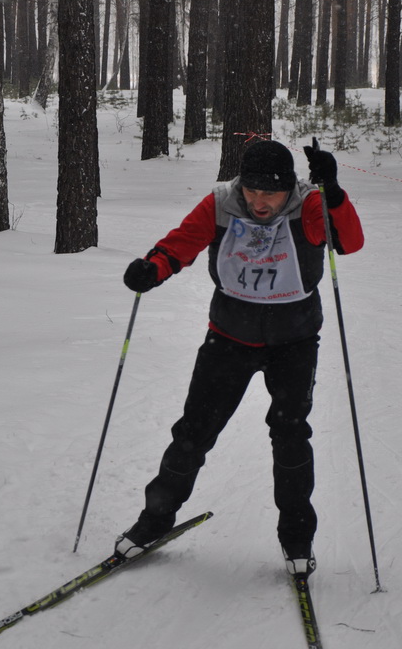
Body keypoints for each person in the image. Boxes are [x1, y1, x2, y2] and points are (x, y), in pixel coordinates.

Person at [115, 139, 364, 576]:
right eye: (252, 190)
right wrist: (152, 268)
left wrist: (335, 194)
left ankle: (297, 537)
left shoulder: (309, 206)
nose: (259, 201)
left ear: (289, 187)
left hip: (294, 340)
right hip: (229, 336)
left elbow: (350, 242)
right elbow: (180, 244)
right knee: (194, 431)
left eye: (271, 193)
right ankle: (153, 522)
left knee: (290, 435)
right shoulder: (221, 203)